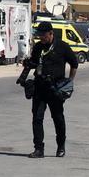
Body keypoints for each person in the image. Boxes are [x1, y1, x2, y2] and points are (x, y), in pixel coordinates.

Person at [19, 22, 79, 158]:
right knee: (37, 118)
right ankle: (39, 149)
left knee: (58, 118)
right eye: (39, 35)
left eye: (44, 35)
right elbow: (34, 62)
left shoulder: (62, 46)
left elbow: (74, 64)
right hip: (40, 88)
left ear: (51, 33)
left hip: (55, 89)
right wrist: (28, 64)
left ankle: (61, 146)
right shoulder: (39, 47)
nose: (41, 38)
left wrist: (69, 82)